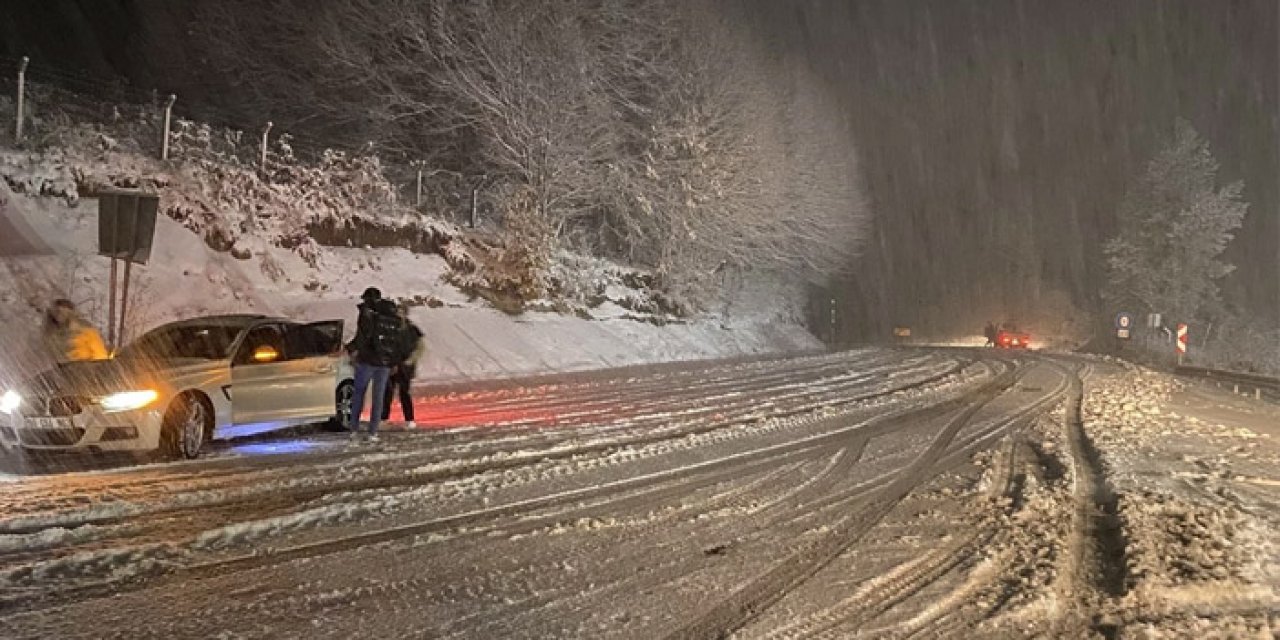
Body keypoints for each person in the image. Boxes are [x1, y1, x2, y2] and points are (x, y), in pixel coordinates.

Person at [344, 287, 402, 442]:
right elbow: (396, 341)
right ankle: (373, 432)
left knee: (359, 394)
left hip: (367, 360)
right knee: (378, 397)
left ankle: (354, 429)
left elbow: (363, 335)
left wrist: (350, 348)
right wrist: (394, 362)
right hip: (384, 362)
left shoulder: (367, 312)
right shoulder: (391, 314)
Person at [381, 304, 425, 428]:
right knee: (387, 392)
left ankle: (409, 419)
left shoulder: (412, 330)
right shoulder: (389, 330)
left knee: (404, 392)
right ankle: (383, 418)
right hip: (391, 365)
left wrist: (409, 361)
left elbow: (420, 348)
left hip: (405, 367)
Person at [43, 299, 108, 362]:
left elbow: (101, 357)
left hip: (84, 368)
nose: (60, 316)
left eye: (62, 313)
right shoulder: (52, 336)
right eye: (58, 313)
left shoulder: (87, 332)